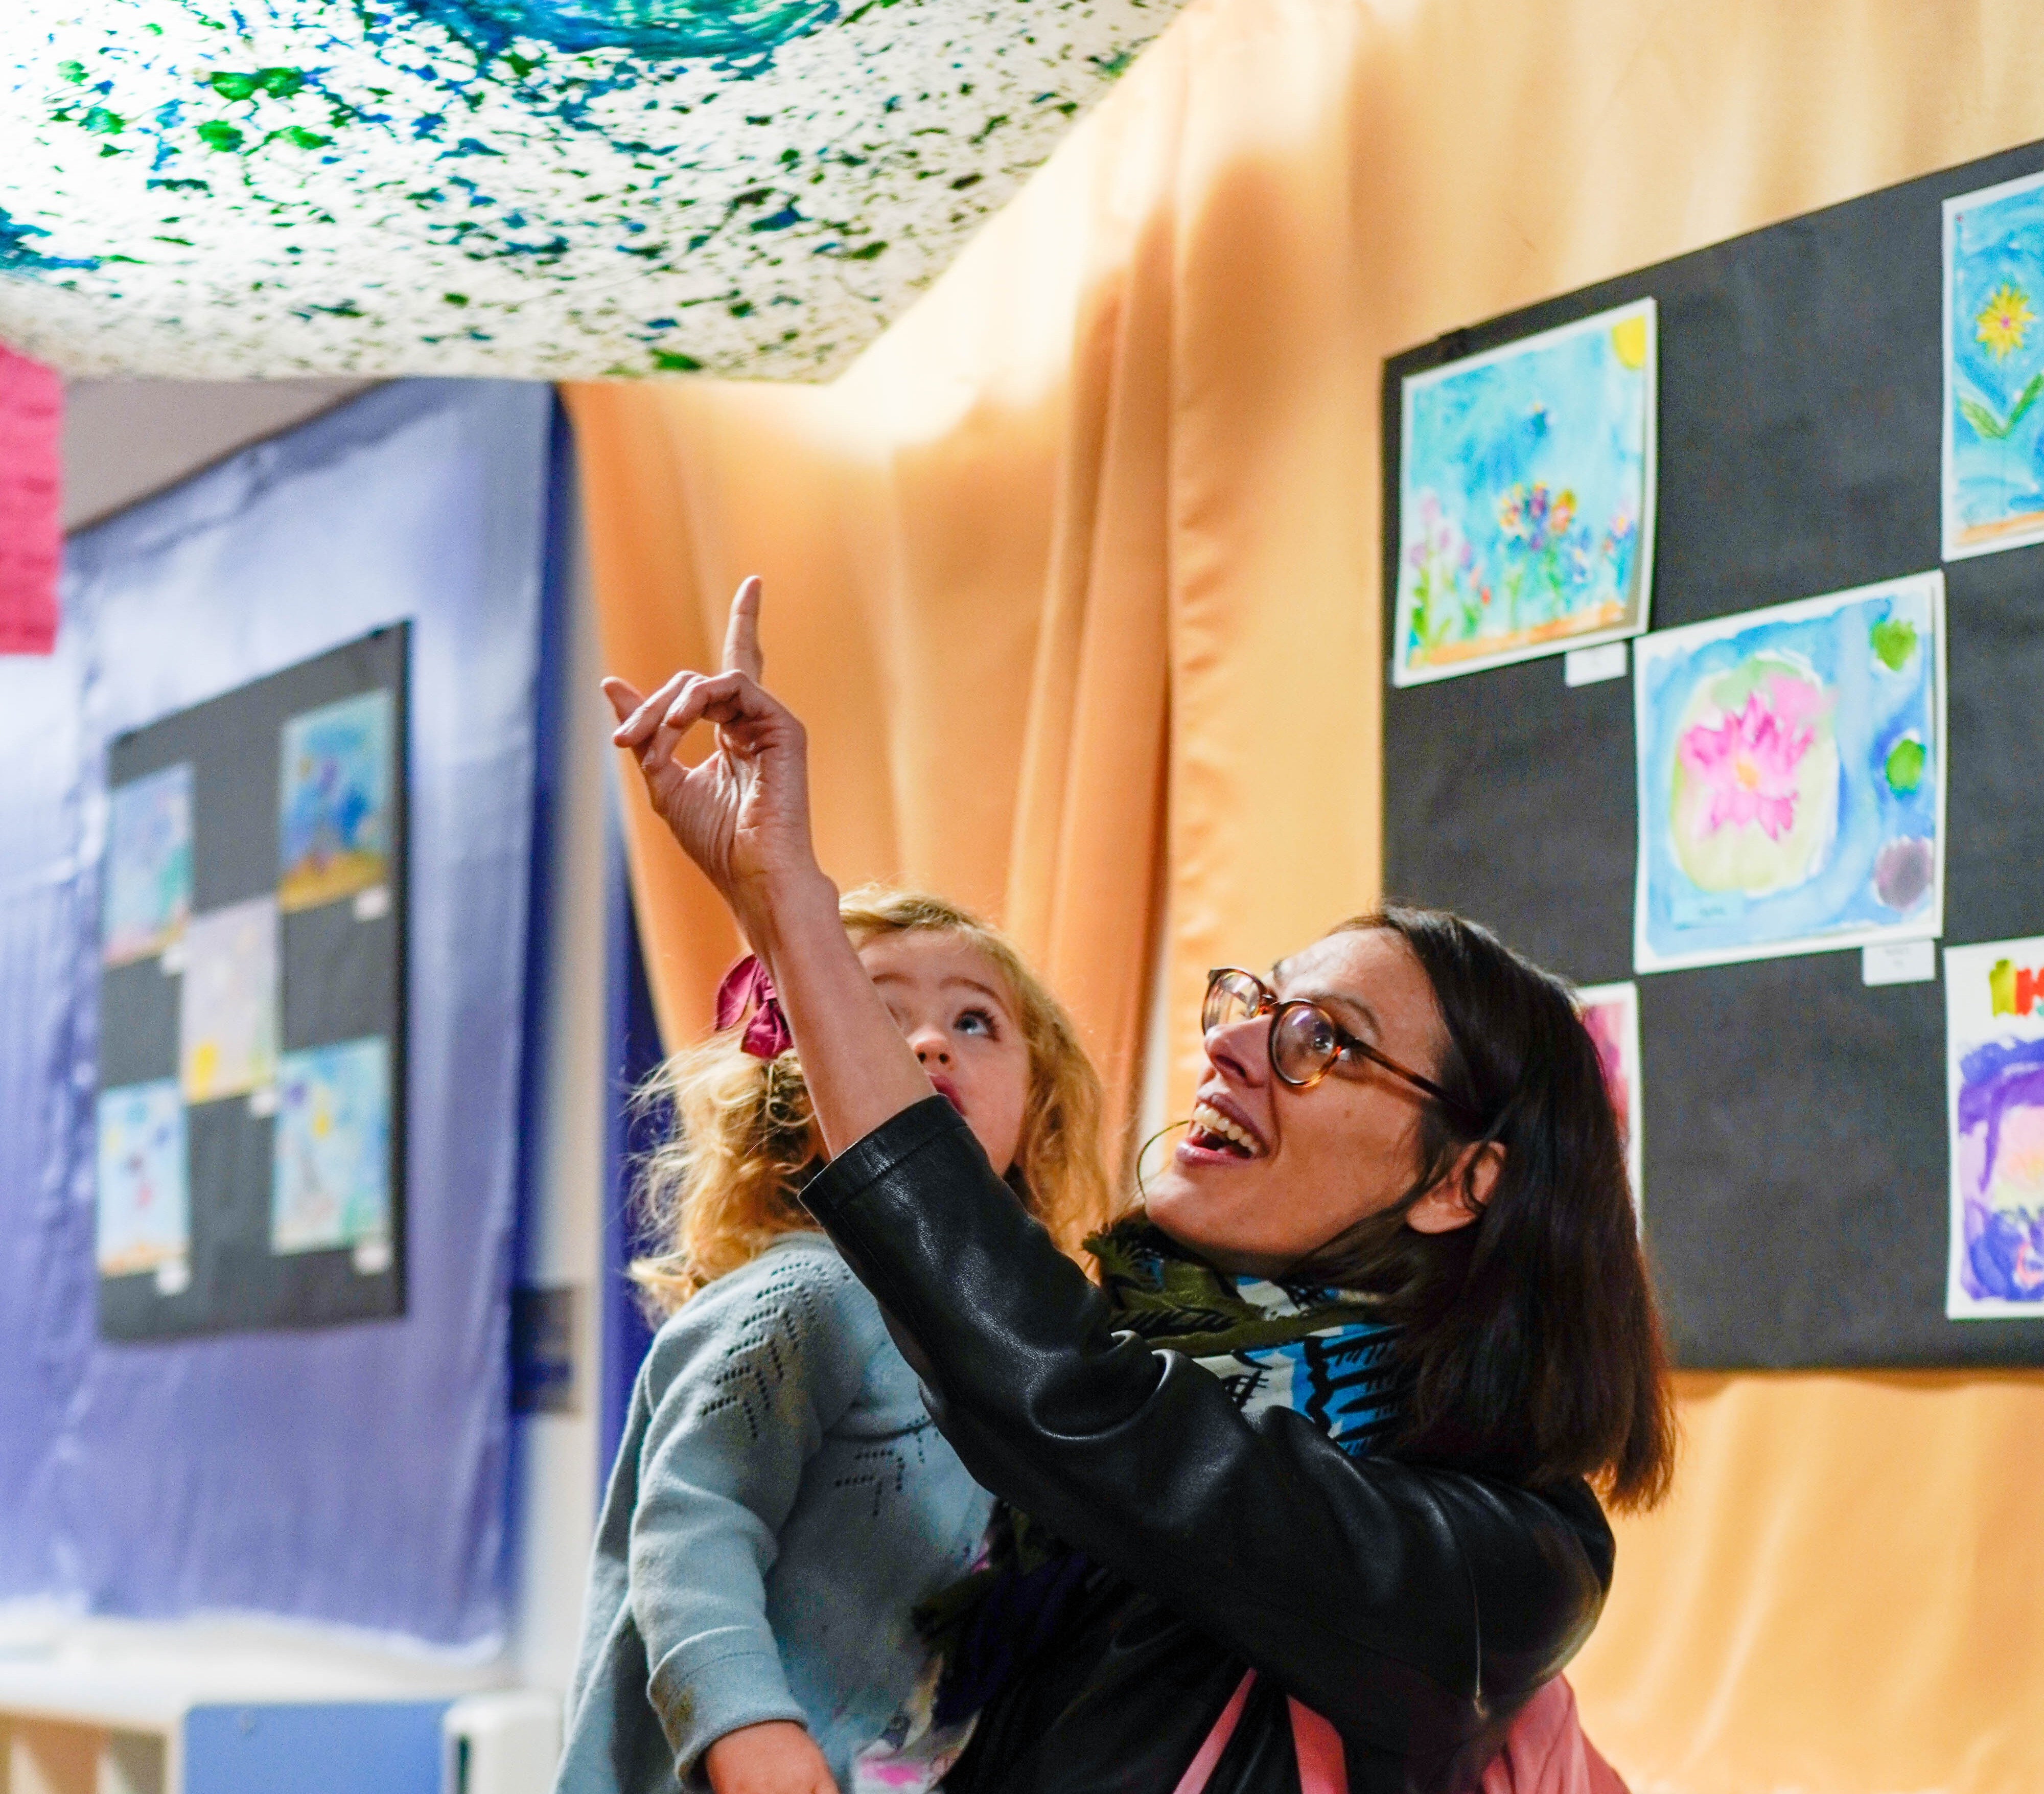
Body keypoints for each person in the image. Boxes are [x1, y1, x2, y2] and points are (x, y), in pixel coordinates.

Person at [603, 576, 1677, 1794]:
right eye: (1251, 1003)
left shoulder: (1498, 1562)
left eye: (1317, 1039)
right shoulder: (1099, 1366)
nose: (1229, 1045)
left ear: (1460, 1183)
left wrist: (796, 913)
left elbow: (1070, 1399)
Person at [554, 881, 1109, 1794]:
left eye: (976, 1021)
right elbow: (694, 1525)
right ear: (793, 1097)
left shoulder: (1023, 1357)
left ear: (1039, 1106)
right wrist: (747, 1727)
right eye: (878, 1017)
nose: (930, 1043)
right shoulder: (807, 1296)